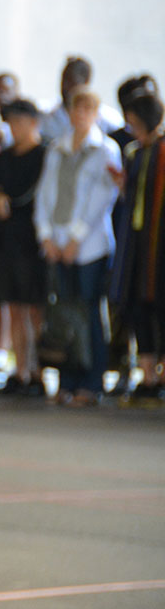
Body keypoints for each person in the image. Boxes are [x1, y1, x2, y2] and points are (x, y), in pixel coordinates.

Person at [34, 87, 122, 406]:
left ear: (96, 114)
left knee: (88, 312)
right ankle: (66, 380)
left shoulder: (105, 149)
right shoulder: (57, 147)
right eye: (75, 109)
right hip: (56, 243)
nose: (80, 115)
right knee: (63, 314)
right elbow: (46, 192)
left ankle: (92, 382)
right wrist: (46, 234)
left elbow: (102, 198)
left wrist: (75, 237)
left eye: (87, 110)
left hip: (90, 246)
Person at [0, 99, 48, 396]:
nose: (15, 128)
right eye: (11, 122)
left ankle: (39, 372)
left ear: (34, 123)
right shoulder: (3, 158)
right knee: (12, 307)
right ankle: (20, 370)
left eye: (21, 122)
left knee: (35, 309)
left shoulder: (45, 155)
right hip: (5, 242)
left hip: (33, 242)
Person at [110, 91, 165, 403]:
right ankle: (147, 377)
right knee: (138, 307)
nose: (130, 127)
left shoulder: (162, 150)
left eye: (134, 121)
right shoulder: (134, 153)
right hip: (137, 244)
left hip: (160, 245)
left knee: (161, 307)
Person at [39, 56, 124, 143]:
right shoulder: (45, 114)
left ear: (86, 83)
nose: (65, 86)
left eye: (71, 82)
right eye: (63, 80)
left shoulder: (108, 119)